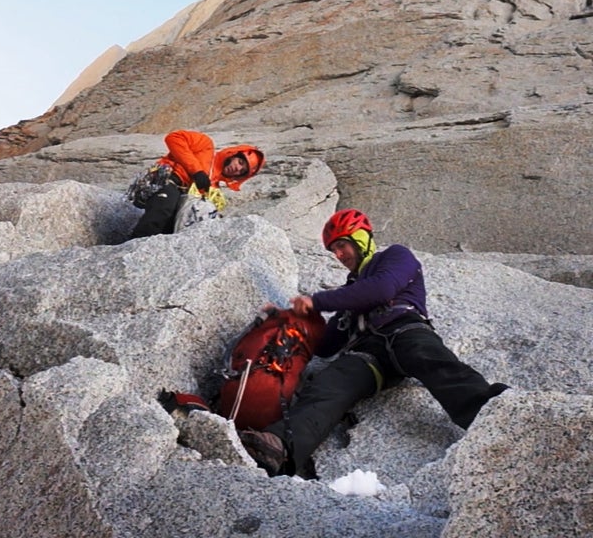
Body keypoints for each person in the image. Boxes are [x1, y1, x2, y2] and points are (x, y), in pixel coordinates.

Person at [239, 207, 509, 477]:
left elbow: (383, 289)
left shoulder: (396, 257)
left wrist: (318, 301)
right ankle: (280, 446)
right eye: (333, 250)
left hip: (406, 330)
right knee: (329, 386)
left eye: (342, 245)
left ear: (361, 237)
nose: (339, 255)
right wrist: (289, 320)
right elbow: (327, 345)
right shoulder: (350, 295)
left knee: (435, 363)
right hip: (368, 354)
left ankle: (499, 419)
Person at [130, 130, 265, 239]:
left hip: (179, 194)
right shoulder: (205, 145)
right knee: (163, 209)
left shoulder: (213, 188)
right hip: (165, 178)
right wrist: (197, 171)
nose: (237, 169)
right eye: (240, 163)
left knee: (173, 224)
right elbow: (174, 138)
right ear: (233, 155)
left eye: (242, 171)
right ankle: (132, 248)